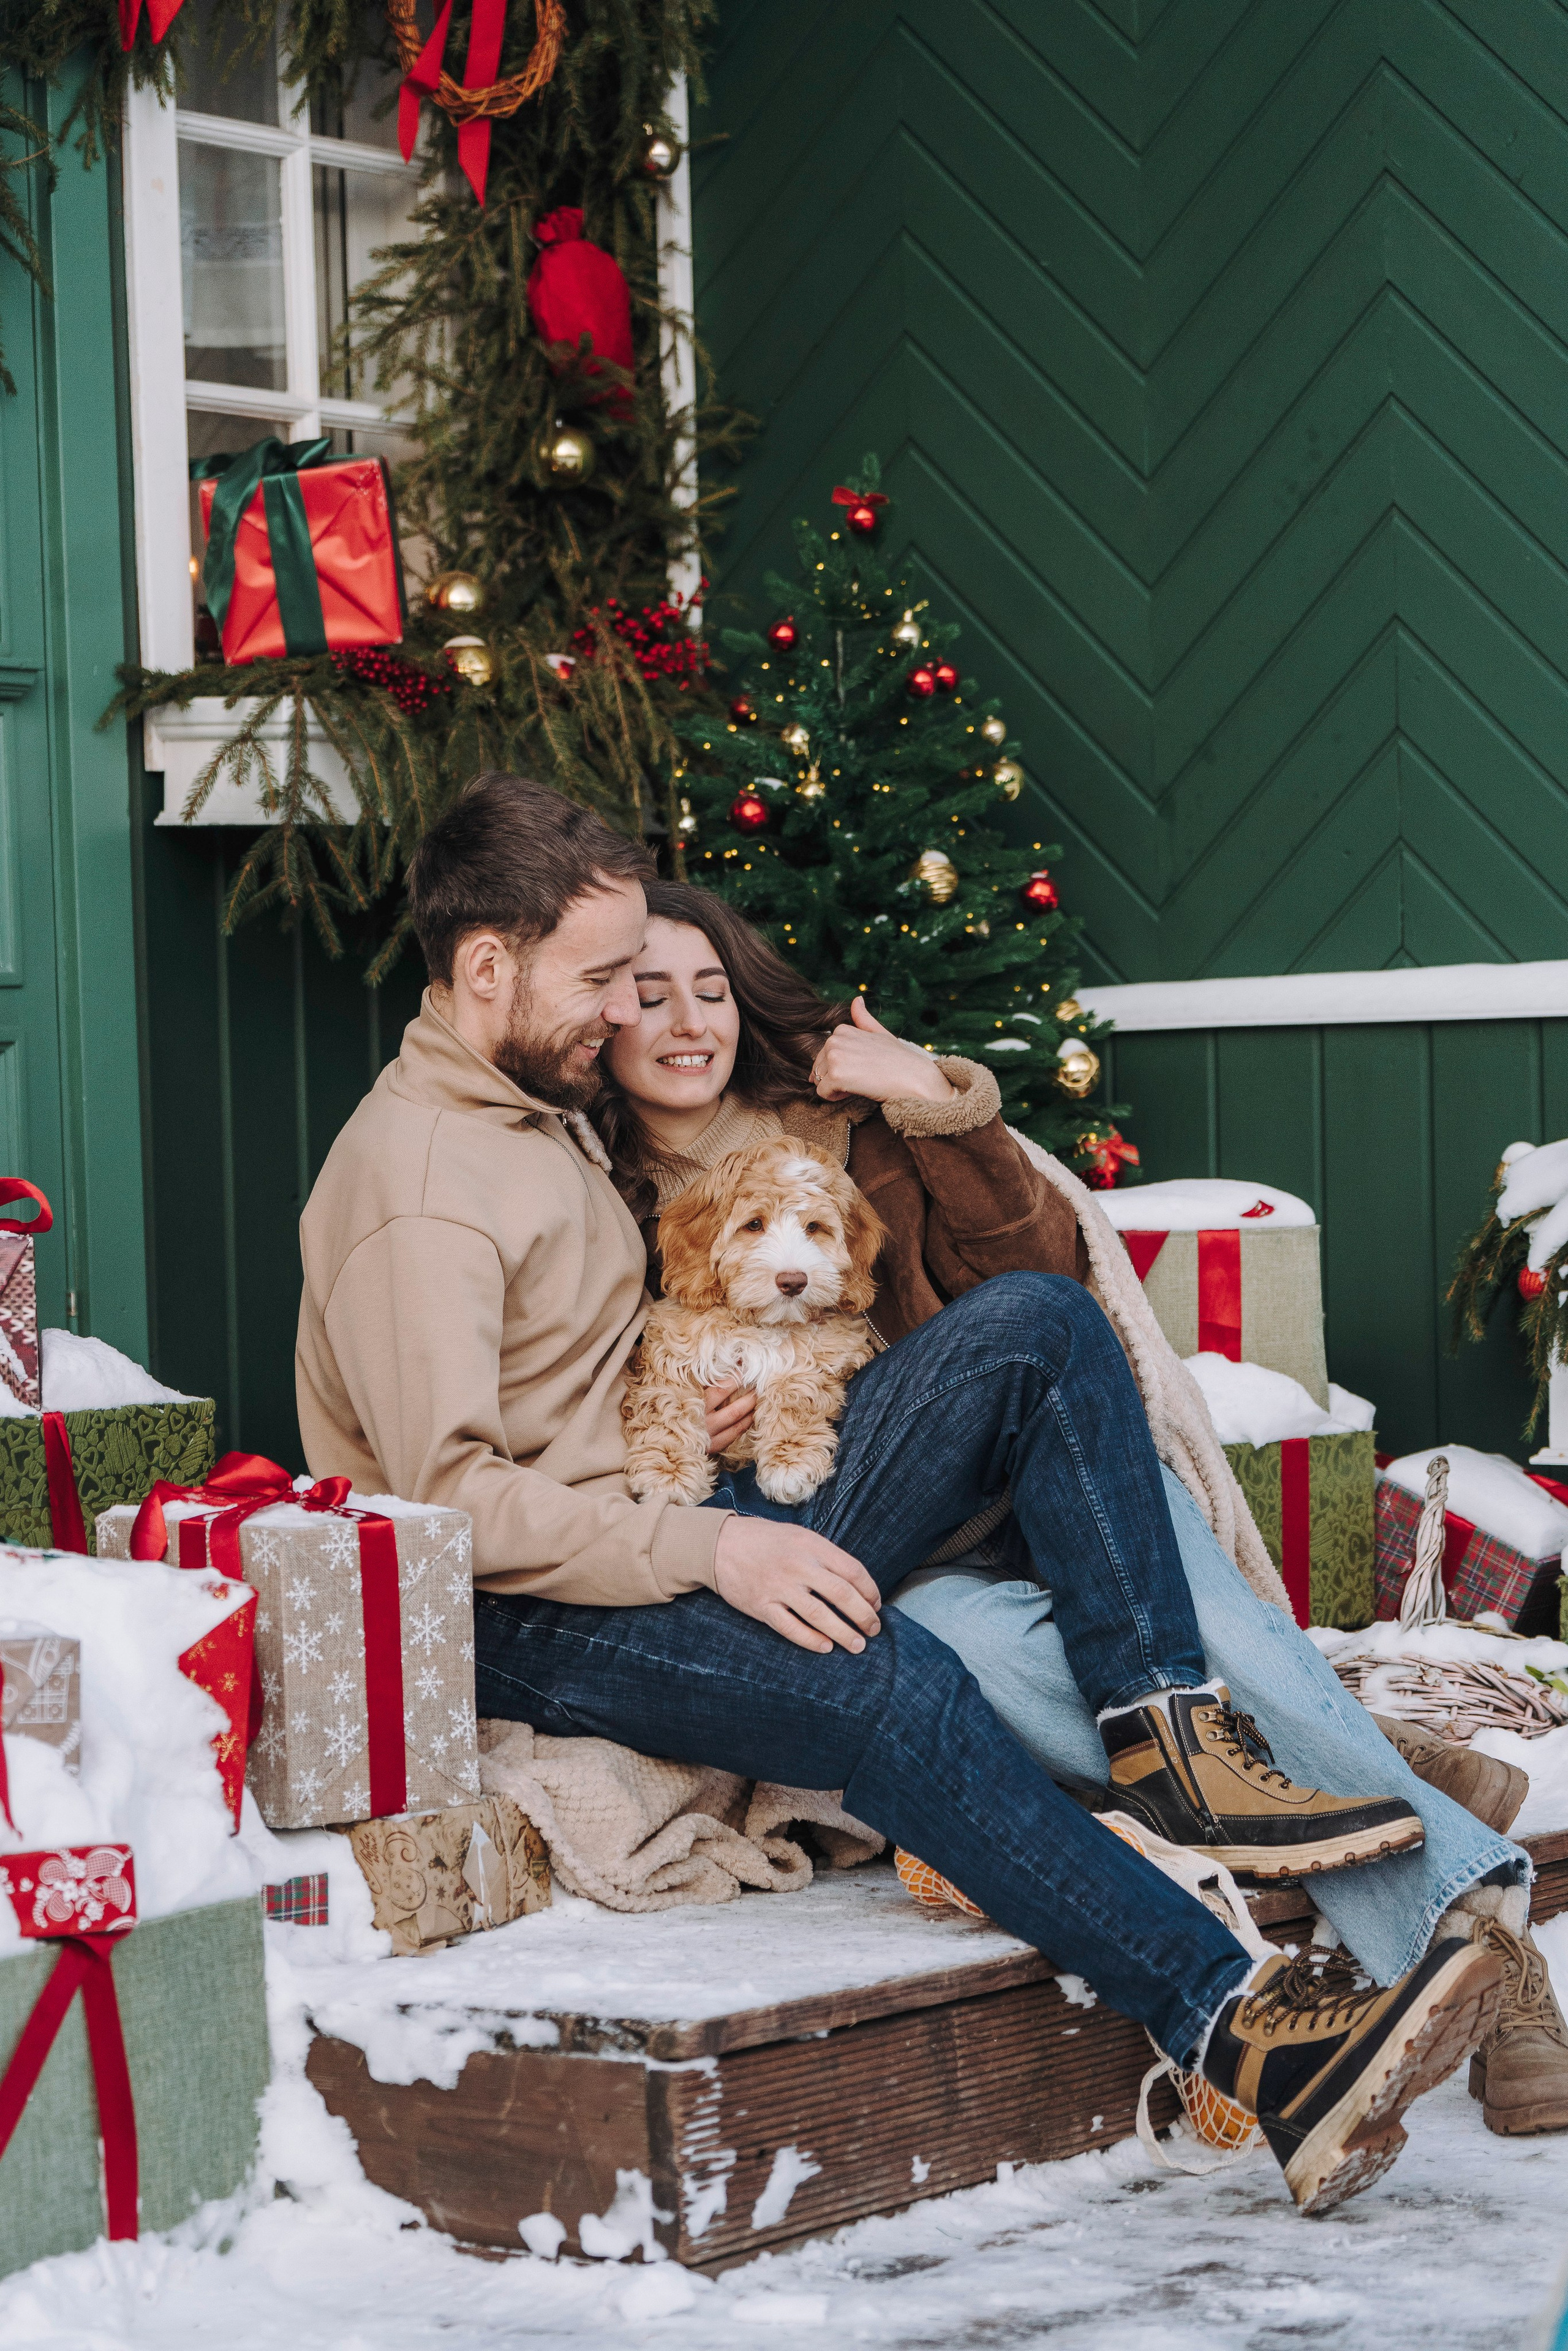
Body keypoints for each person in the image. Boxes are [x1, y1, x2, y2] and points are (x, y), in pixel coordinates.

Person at [296, 772, 1506, 2211]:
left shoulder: (535, 1090)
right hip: (545, 1601)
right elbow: (443, 1508)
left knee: (1035, 1335)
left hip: (686, 1506)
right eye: (604, 977)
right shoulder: (424, 1183)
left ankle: (1163, 1727)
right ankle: (1241, 2034)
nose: (629, 1009)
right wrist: (714, 1539)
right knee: (893, 1685)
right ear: (485, 966)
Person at [595, 877, 1561, 2137]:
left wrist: (933, 1096)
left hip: (1060, 1466)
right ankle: (1386, 1803)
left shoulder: (841, 1123)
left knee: (1208, 1639)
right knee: (1007, 1668)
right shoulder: (591, 1186)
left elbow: (1041, 1283)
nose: (687, 1020)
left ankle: (1472, 1943)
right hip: (889, 1559)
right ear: (599, 1017)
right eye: (648, 994)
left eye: (711, 990)